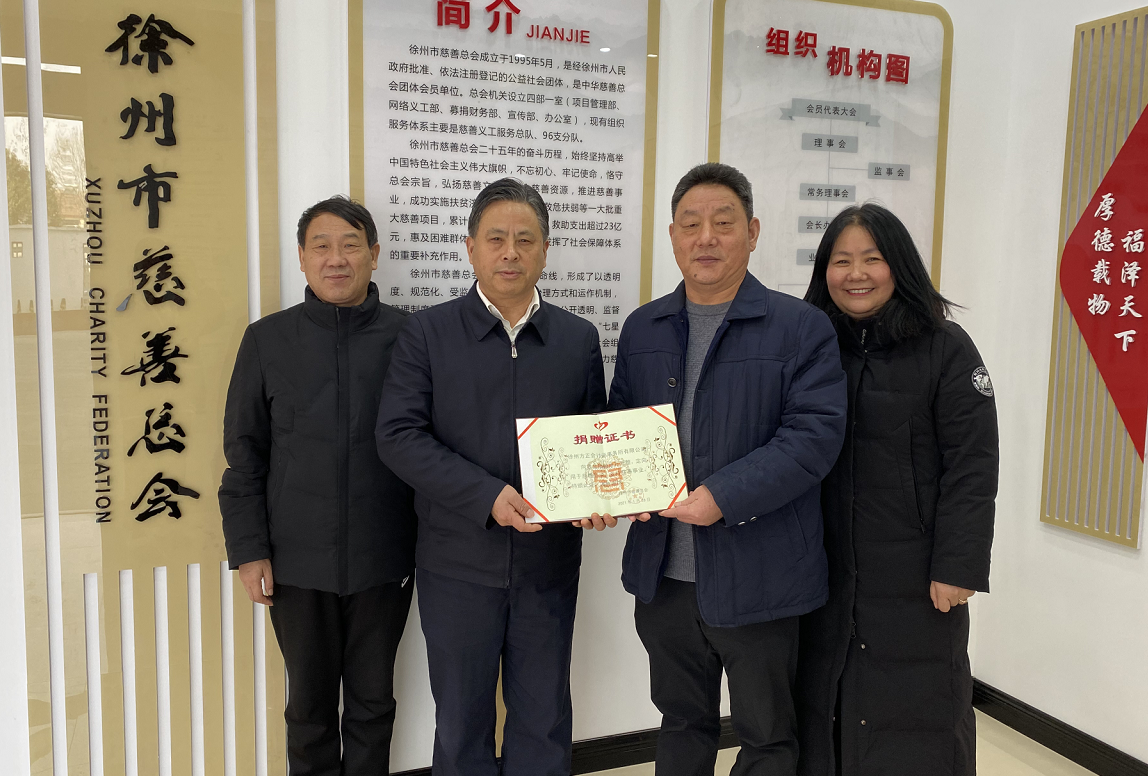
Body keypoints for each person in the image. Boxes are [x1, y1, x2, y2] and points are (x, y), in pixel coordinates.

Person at [607, 162, 848, 776]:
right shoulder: (643, 328)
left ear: (753, 232)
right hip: (664, 576)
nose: (706, 237)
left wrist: (722, 495)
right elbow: (619, 427)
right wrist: (604, 487)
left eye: (723, 222)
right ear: (672, 236)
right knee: (681, 722)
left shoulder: (801, 327)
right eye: (690, 224)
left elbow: (813, 438)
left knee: (767, 735)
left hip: (762, 575)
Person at [375, 178, 609, 776]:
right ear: (471, 248)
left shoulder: (577, 339)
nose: (511, 252)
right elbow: (398, 435)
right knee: (461, 723)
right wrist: (486, 495)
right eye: (496, 238)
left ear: (545, 250)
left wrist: (598, 493)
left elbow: (593, 436)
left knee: (545, 719)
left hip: (548, 566)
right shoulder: (427, 333)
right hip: (457, 565)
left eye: (525, 240)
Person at [796, 203, 998, 776]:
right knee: (826, 703)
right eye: (841, 261)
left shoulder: (946, 347)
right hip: (823, 567)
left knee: (919, 708)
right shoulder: (811, 347)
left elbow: (973, 466)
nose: (856, 274)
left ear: (900, 266)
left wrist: (958, 564)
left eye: (872, 259)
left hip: (916, 575)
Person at [218, 196, 416, 775]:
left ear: (374, 254)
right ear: (302, 258)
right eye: (322, 247)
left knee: (374, 704)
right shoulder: (267, 340)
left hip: (385, 557)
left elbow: (432, 444)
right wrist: (249, 550)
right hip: (296, 563)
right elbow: (243, 455)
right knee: (308, 710)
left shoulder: (411, 337)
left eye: (350, 245)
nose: (337, 259)